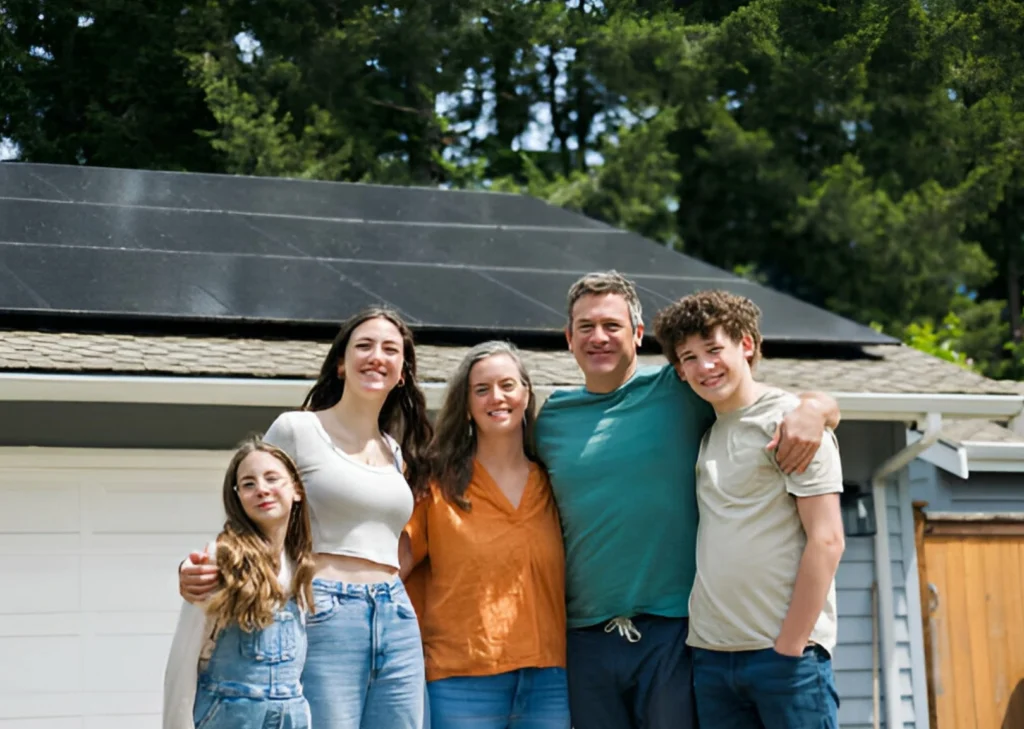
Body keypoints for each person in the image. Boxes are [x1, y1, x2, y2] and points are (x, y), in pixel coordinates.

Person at [533, 271, 841, 729]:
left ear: (637, 335)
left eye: (613, 325)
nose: (599, 337)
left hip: (676, 633)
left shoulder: (679, 391)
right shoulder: (550, 419)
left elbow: (765, 398)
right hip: (592, 635)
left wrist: (817, 409)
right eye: (586, 326)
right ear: (568, 337)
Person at [178, 307, 434, 729]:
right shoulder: (298, 430)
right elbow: (250, 510)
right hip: (325, 610)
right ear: (340, 362)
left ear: (402, 372)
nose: (377, 356)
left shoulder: (395, 450)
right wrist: (201, 567)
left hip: (397, 615)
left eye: (391, 349)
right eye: (364, 345)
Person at [652, 290, 845, 729]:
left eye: (714, 349)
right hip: (714, 659)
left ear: (746, 345)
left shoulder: (791, 425)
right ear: (680, 372)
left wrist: (791, 645)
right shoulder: (708, 436)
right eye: (689, 357)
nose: (704, 366)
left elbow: (828, 540)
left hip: (785, 660)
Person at [400, 341, 570, 729]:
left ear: (526, 395)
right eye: (482, 389)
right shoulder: (435, 485)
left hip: (549, 679)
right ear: (466, 405)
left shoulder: (554, 482)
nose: (497, 397)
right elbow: (390, 570)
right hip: (460, 681)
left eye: (508, 385)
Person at [163, 436, 316, 729]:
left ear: (296, 490)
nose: (261, 489)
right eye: (248, 484)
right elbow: (184, 657)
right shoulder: (219, 561)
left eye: (272, 478)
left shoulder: (300, 566)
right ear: (237, 498)